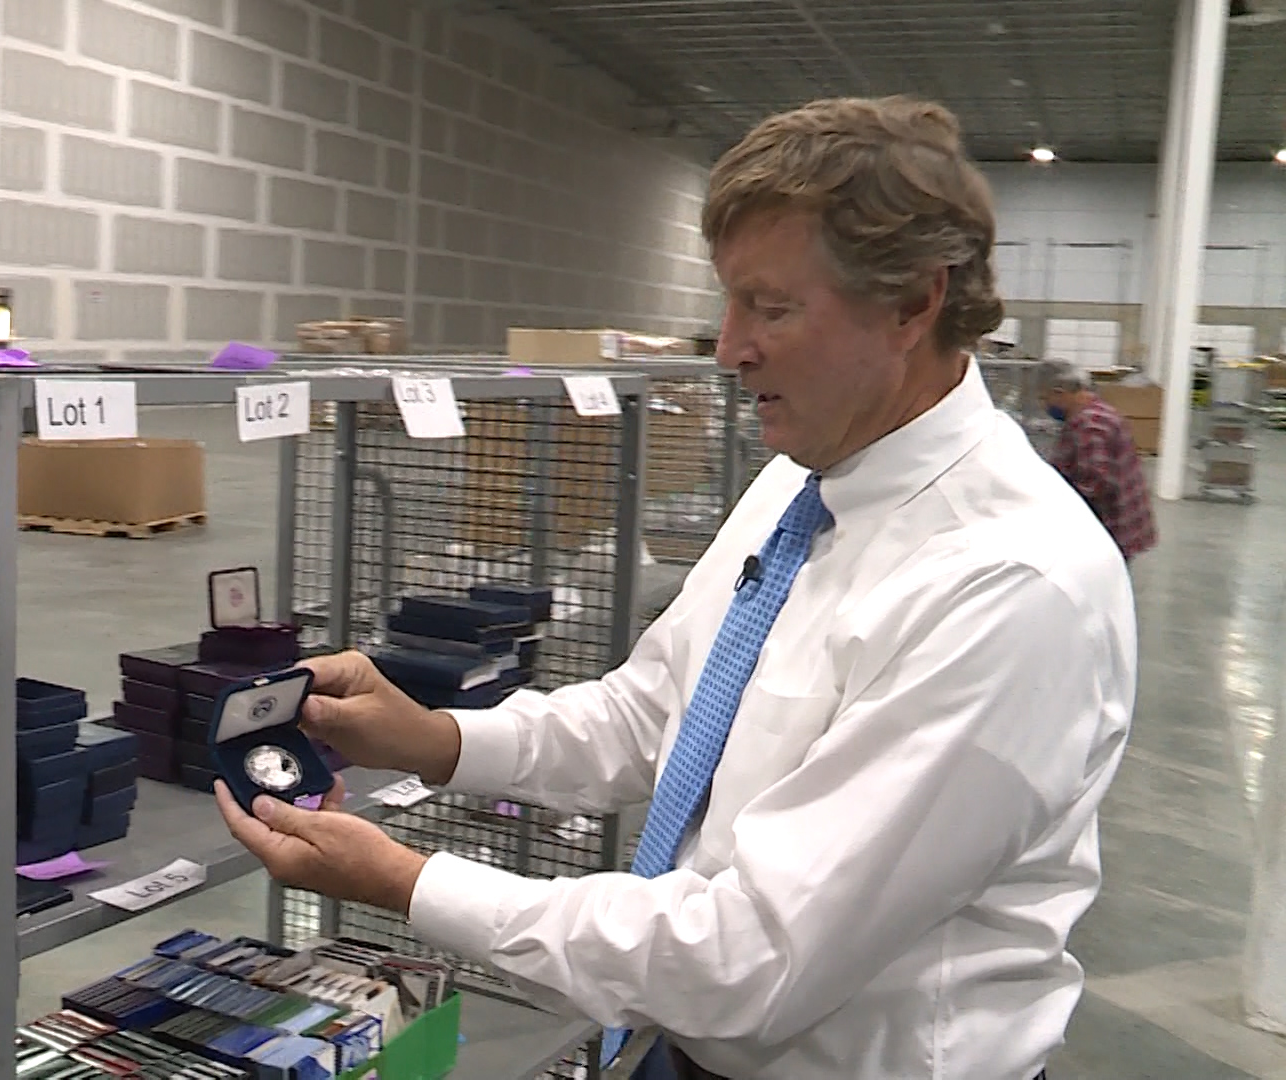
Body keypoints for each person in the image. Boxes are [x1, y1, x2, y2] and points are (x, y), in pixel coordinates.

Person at [213, 95, 1137, 1080]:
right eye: (729, 301)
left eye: (772, 307)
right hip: (678, 1041)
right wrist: (435, 738)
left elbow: (751, 962)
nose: (730, 347)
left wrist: (407, 883)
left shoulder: (1011, 588)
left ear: (915, 300)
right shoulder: (801, 478)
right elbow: (652, 716)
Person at [1039, 359, 1158, 563]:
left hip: (1109, 532)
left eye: (1045, 398)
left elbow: (1094, 486)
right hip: (1121, 527)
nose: (1045, 406)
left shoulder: (1089, 425)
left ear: (1060, 392)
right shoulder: (1096, 410)